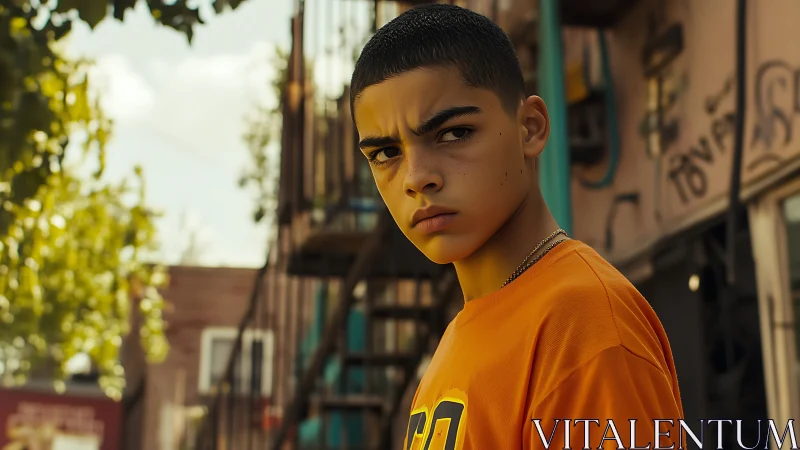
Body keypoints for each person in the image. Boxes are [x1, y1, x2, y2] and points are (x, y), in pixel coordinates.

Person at [349, 4, 684, 449]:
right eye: (386, 153)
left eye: (453, 133)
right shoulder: (464, 332)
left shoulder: (585, 325)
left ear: (530, 128)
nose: (415, 178)